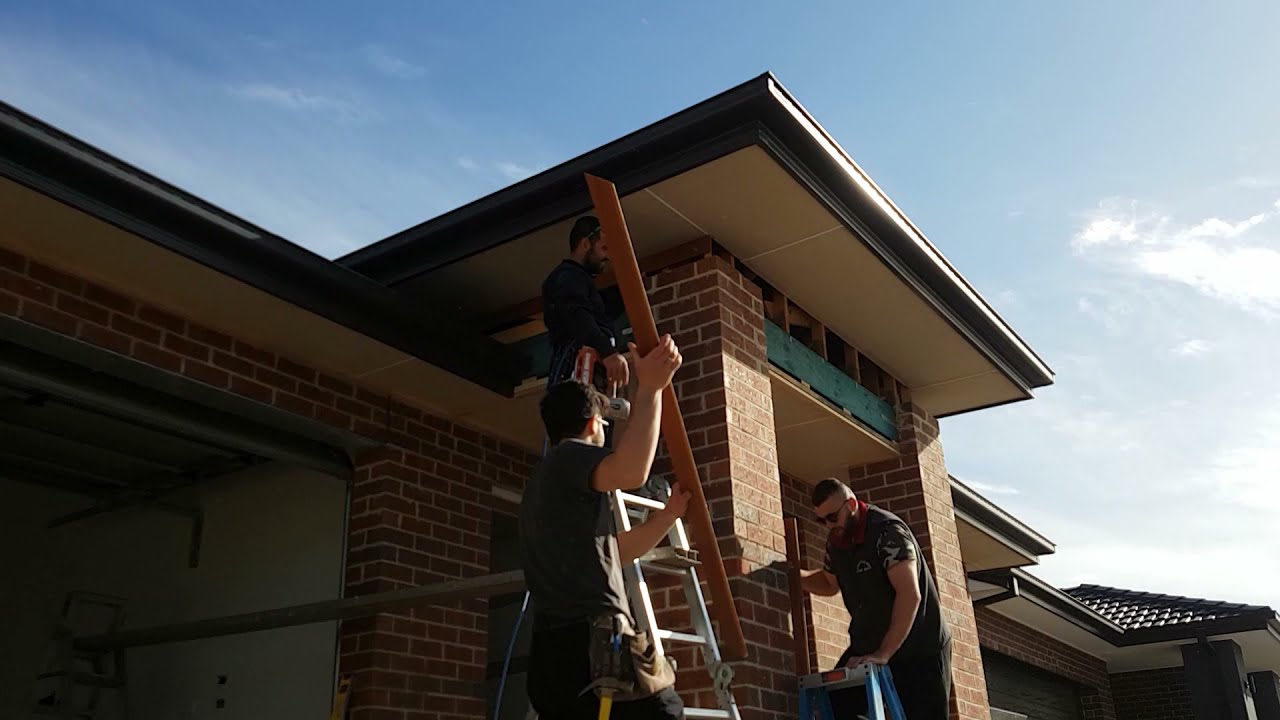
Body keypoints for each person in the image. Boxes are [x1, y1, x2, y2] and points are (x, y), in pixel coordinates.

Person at [519, 334, 689, 720]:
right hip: (591, 646)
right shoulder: (569, 458)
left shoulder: (543, 487)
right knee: (666, 714)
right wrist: (650, 388)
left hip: (552, 653)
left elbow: (613, 551)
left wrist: (665, 517)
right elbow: (631, 470)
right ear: (594, 422)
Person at [799, 478, 952, 719]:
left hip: (919, 647)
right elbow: (829, 584)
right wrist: (795, 576)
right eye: (821, 520)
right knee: (834, 703)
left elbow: (909, 594)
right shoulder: (836, 543)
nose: (828, 526)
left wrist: (883, 653)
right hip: (869, 644)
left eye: (831, 518)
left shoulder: (887, 531)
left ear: (850, 505)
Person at [541, 215, 629, 389]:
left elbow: (599, 314)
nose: (607, 257)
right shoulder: (568, 276)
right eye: (604, 248)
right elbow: (578, 315)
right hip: (574, 368)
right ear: (585, 244)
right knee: (580, 410)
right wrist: (608, 352)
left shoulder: (577, 280)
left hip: (583, 371)